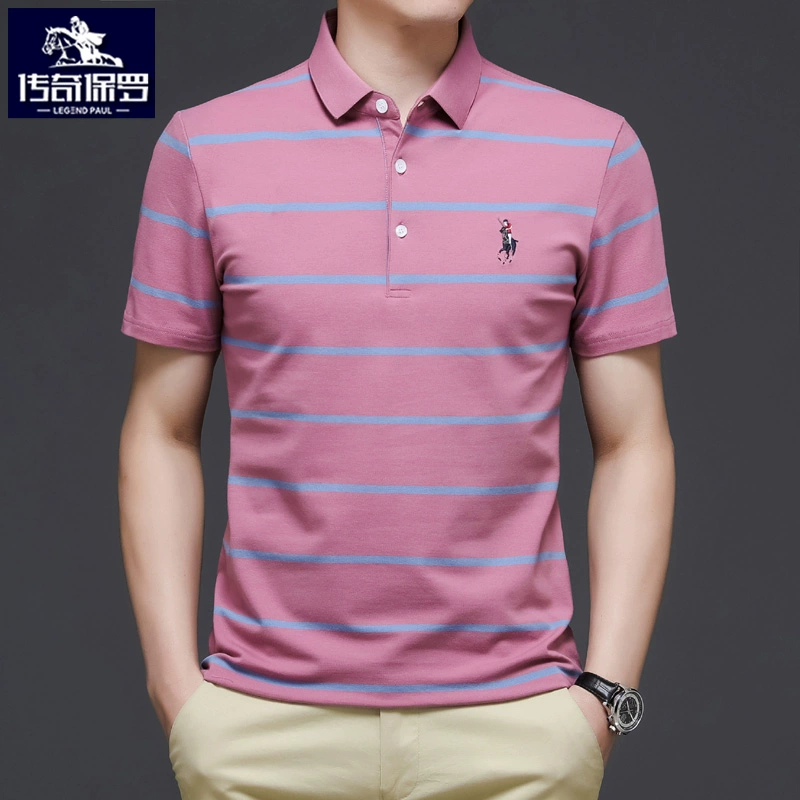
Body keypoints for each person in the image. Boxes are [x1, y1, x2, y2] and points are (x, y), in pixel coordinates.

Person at [118, 1, 677, 798]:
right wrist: (179, 695)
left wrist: (602, 699)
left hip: (517, 736)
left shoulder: (595, 151)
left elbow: (635, 441)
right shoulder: (205, 148)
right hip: (260, 733)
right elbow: (161, 429)